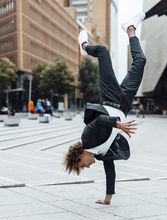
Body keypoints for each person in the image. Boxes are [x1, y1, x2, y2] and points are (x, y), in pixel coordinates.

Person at [64, 13, 146, 205]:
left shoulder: (87, 138)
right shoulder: (102, 154)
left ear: (79, 156)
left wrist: (118, 125)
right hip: (124, 103)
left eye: (82, 166)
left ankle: (84, 47)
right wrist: (107, 199)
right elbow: (111, 171)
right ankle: (131, 28)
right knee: (140, 61)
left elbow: (100, 121)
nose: (87, 167)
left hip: (110, 99)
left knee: (102, 51)